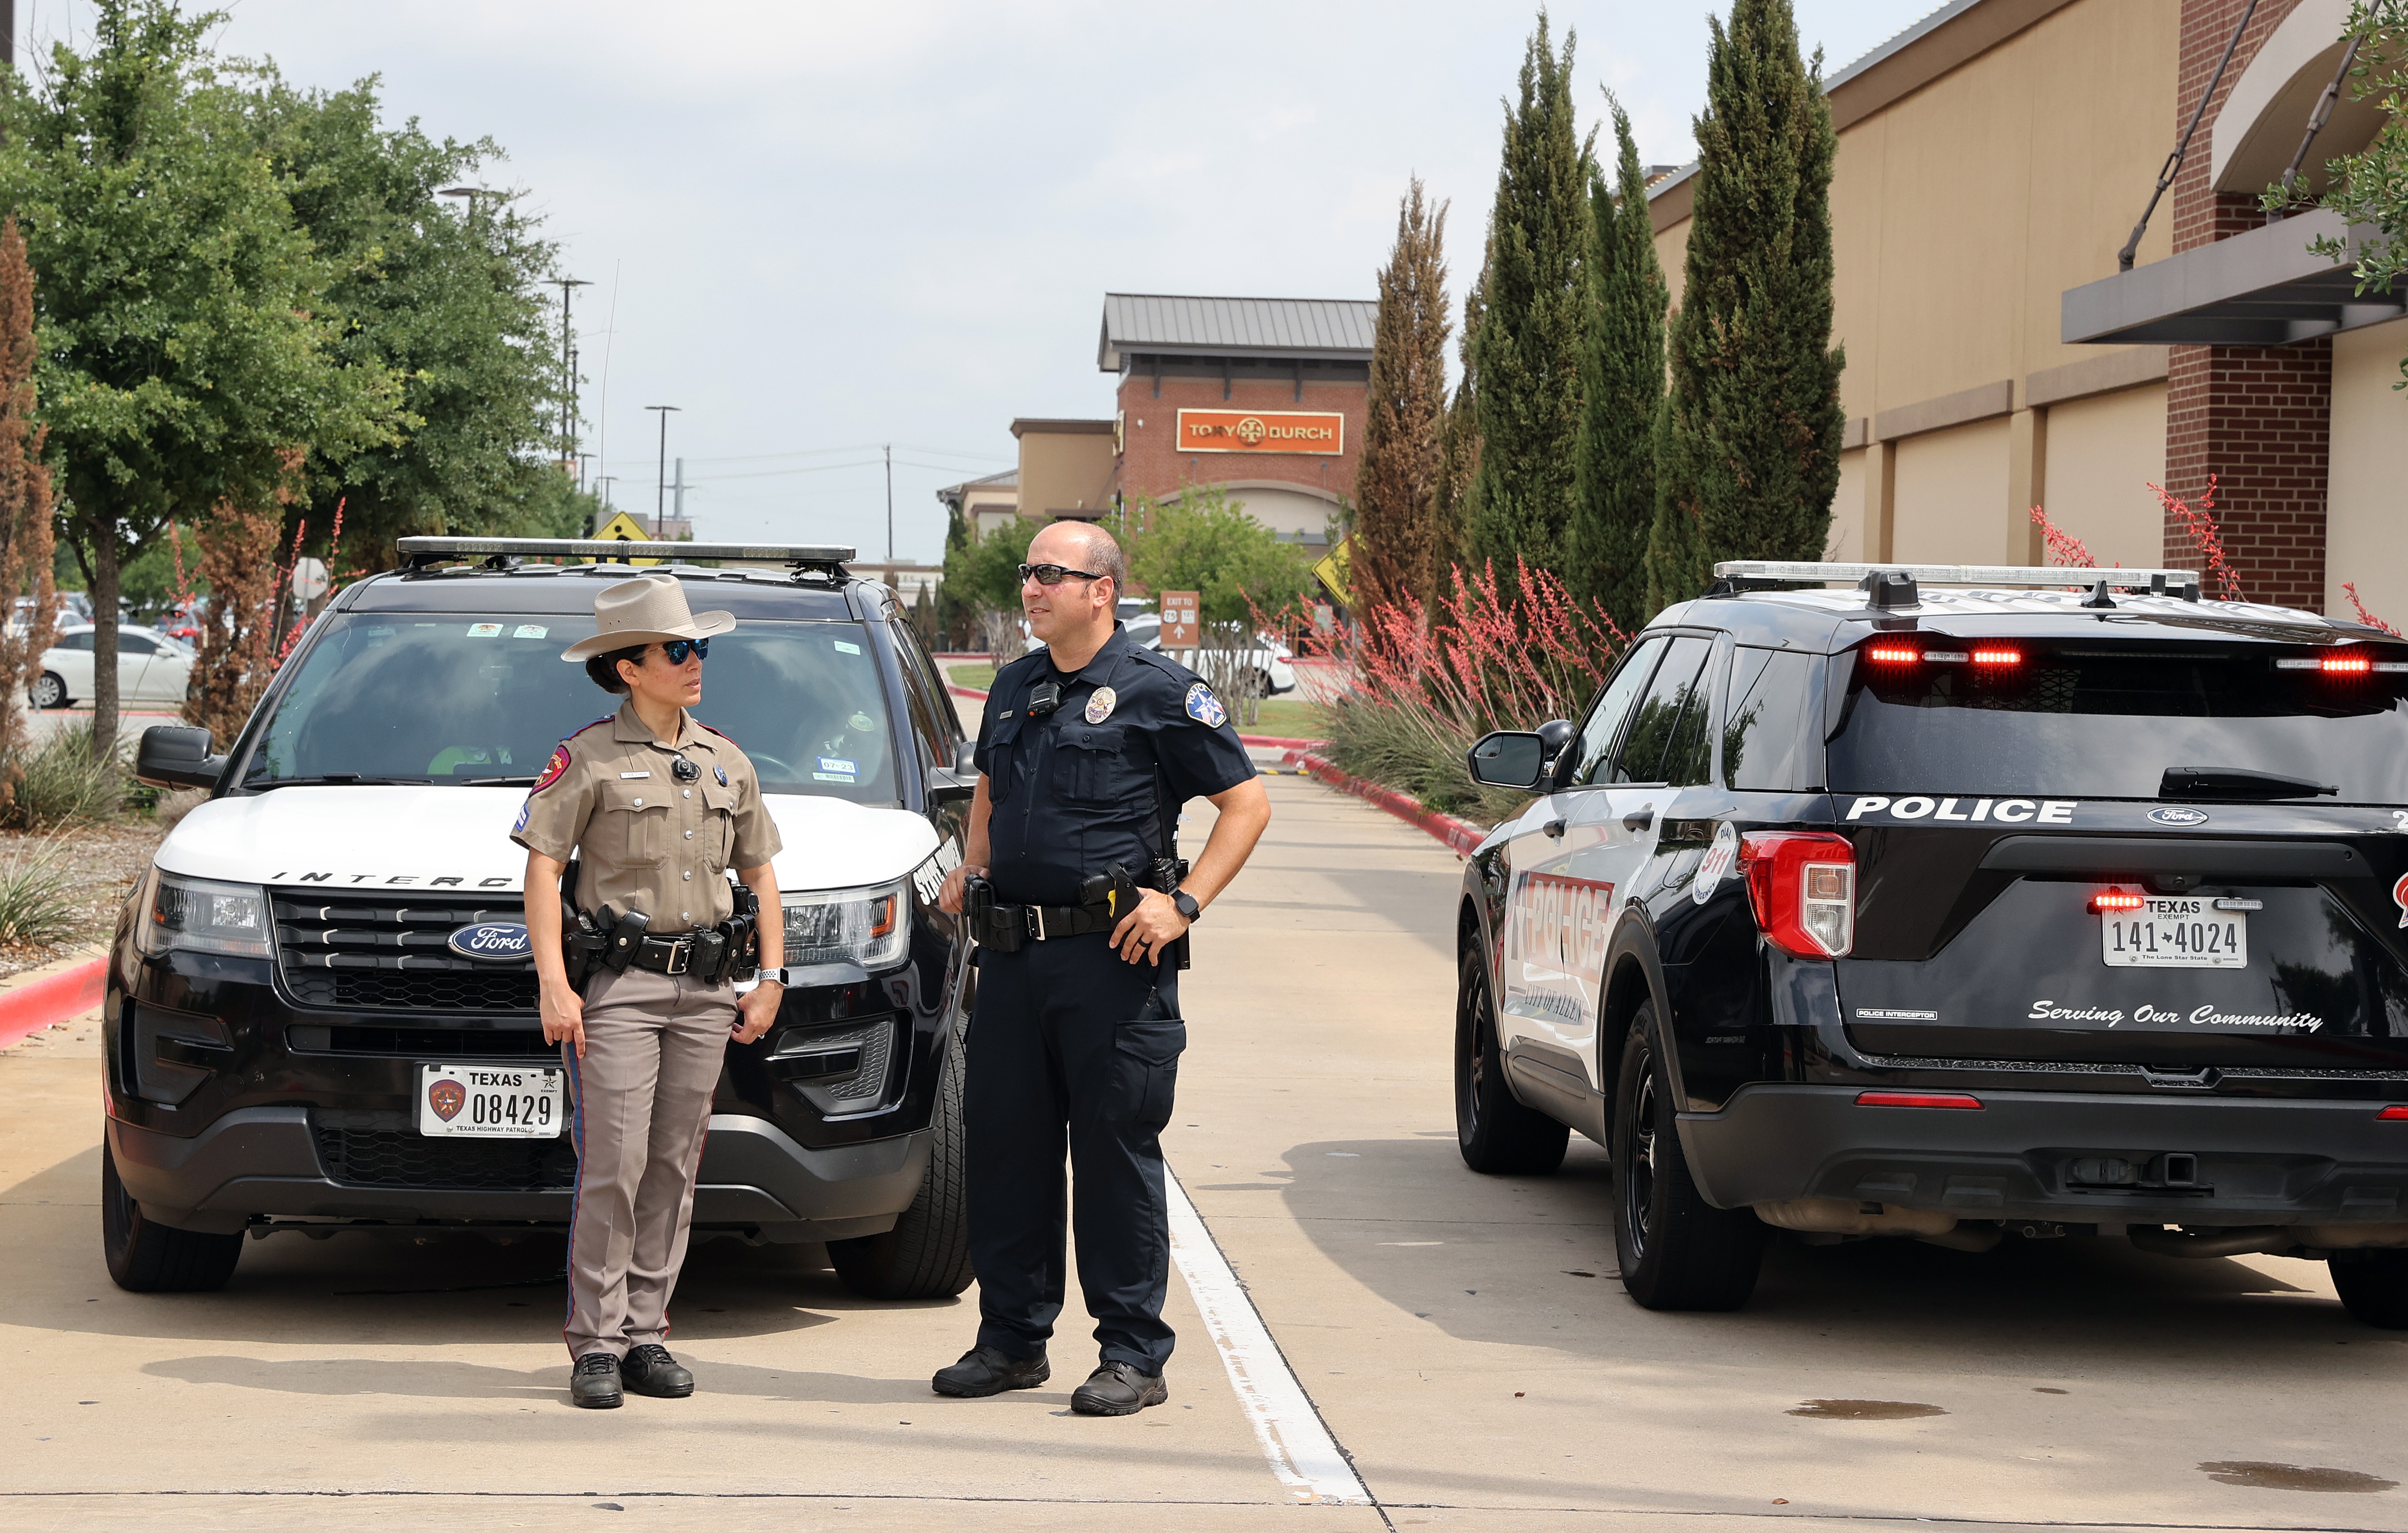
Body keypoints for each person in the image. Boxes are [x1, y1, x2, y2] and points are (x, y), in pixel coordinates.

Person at [931, 520, 1272, 1417]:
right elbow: (991, 793)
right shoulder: (1014, 687)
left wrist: (1184, 901)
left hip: (1112, 962)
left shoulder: (1158, 691)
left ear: (1102, 590)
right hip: (1012, 959)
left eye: (1052, 573)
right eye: (1028, 572)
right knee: (1008, 1151)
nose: (1032, 587)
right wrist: (974, 868)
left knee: (1116, 1152)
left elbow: (1246, 804)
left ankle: (1131, 1350)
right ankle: (1010, 1338)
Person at [516, 574, 786, 1410]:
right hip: (622, 990)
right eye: (678, 650)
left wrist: (771, 976)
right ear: (629, 668)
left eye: (699, 646)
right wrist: (555, 984)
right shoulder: (588, 757)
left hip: (706, 990)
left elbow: (761, 872)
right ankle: (595, 1343)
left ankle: (645, 1336)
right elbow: (543, 867)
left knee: (674, 1163)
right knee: (615, 1162)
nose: (695, 661)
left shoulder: (724, 760)